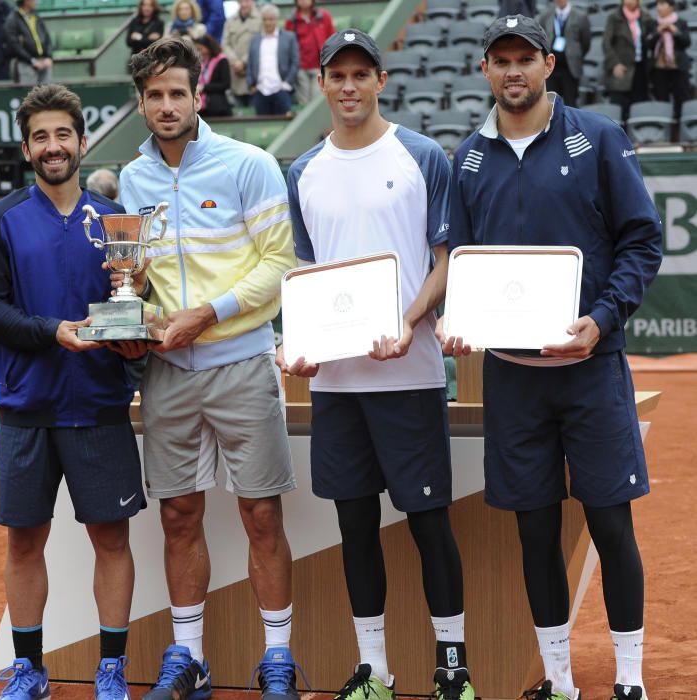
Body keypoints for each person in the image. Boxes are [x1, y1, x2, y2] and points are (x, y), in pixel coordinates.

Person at [439, 15, 663, 700]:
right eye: (501, 59)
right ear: (484, 69)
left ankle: (628, 680)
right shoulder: (468, 159)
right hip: (514, 380)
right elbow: (462, 262)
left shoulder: (597, 138)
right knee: (534, 532)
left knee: (610, 522)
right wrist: (457, 317)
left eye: (525, 58)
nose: (514, 71)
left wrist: (599, 321)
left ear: (549, 64)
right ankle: (560, 682)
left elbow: (642, 243)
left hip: (591, 370)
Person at [280, 28, 478, 700]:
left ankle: (453, 664)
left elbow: (446, 260)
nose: (349, 87)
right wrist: (296, 342)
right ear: (322, 85)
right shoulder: (301, 171)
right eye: (338, 76)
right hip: (336, 385)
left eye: (361, 74)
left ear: (381, 81)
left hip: (411, 375)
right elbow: (306, 271)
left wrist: (409, 318)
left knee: (428, 523)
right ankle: (376, 670)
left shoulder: (422, 156)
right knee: (354, 524)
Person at [118, 36, 300, 700]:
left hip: (242, 363)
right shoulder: (129, 182)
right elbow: (133, 281)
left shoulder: (249, 164)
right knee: (178, 517)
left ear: (198, 95)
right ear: (140, 102)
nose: (167, 106)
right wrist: (133, 325)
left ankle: (277, 659)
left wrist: (206, 315)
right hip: (166, 373)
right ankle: (188, 656)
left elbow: (279, 268)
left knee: (260, 514)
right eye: (154, 95)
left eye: (177, 93)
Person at [0, 84, 144, 700]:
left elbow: (132, 305)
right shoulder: (1, 219)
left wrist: (133, 339)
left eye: (62, 134)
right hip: (27, 407)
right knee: (25, 539)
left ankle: (112, 667)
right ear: (26, 147)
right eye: (40, 136)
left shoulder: (112, 219)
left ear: (82, 141)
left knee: (112, 538)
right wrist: (52, 333)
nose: (52, 146)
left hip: (98, 404)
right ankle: (29, 669)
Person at [603, 0, 653, 123]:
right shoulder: (614, 17)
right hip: (622, 69)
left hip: (641, 70)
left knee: (639, 109)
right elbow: (606, 44)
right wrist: (615, 64)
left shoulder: (645, 18)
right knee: (620, 107)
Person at [248, 5, 299, 116]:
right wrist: (251, 84)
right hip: (260, 90)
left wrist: (287, 83)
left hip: (281, 89)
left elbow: (295, 62)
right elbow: (250, 63)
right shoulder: (255, 40)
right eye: (265, 19)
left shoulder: (289, 37)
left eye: (271, 19)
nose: (268, 23)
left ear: (276, 20)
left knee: (284, 125)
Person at [538, 0, 591, 107]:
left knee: (571, 103)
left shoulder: (580, 16)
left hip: (571, 69)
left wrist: (576, 55)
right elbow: (541, 38)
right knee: (550, 103)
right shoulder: (546, 15)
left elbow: (585, 42)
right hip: (551, 68)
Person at [646, 0, 691, 123]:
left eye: (662, 4)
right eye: (657, 4)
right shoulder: (652, 23)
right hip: (659, 68)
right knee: (661, 99)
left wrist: (674, 30)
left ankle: (681, 128)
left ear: (671, 7)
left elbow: (686, 42)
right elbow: (648, 43)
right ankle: (663, 127)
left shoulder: (681, 22)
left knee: (682, 98)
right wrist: (658, 31)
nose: (658, 7)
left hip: (678, 67)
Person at [284, 0, 335, 106]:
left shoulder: (324, 16)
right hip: (300, 68)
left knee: (317, 102)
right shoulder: (291, 20)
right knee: (304, 104)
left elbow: (332, 40)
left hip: (320, 66)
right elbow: (287, 46)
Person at [222, 0, 261, 106]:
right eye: (241, 1)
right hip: (235, 71)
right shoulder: (230, 21)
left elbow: (260, 44)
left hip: (252, 71)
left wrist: (243, 62)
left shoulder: (260, 19)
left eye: (247, 1)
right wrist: (235, 61)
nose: (244, 4)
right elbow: (225, 44)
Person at [5, 0, 53, 85]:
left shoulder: (36, 16)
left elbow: (47, 38)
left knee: (47, 95)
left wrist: (48, 56)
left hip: (44, 62)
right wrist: (32, 61)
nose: (36, 1)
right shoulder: (12, 19)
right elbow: (14, 45)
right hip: (26, 64)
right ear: (26, 1)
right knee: (30, 95)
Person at [195, 33, 233, 116]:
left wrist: (204, 87)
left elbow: (225, 84)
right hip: (203, 107)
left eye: (201, 49)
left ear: (208, 47)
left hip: (218, 107)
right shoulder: (202, 62)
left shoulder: (222, 60)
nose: (199, 52)